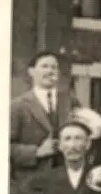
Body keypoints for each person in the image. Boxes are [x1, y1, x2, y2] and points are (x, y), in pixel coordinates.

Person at [10, 50, 79, 185]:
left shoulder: (71, 101)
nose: (50, 71)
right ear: (31, 71)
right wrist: (37, 152)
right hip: (30, 187)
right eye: (44, 66)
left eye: (54, 67)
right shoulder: (17, 105)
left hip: (65, 183)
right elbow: (3, 147)